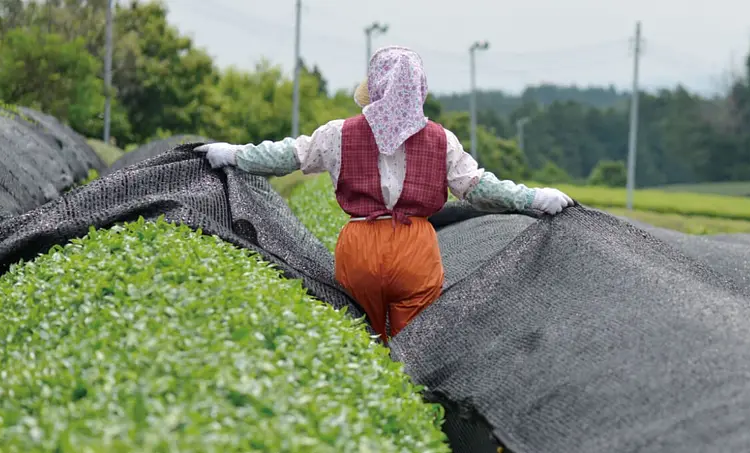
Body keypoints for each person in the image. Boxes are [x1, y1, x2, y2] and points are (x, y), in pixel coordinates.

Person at [195, 46, 574, 343]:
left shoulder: (338, 133)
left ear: (375, 88)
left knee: (364, 338)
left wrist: (235, 154)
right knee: (413, 342)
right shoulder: (442, 141)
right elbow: (480, 188)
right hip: (415, 250)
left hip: (359, 248)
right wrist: (533, 199)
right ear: (419, 90)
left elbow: (287, 156)